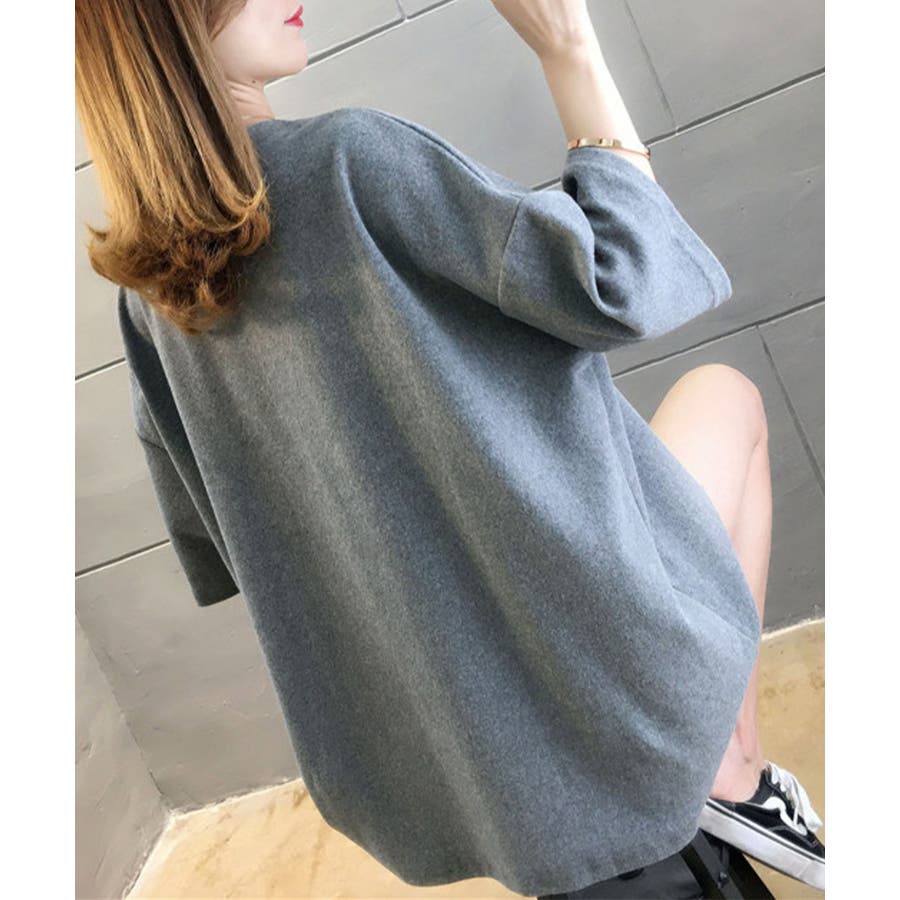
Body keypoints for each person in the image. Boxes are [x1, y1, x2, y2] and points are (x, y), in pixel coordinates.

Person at [74, 0, 824, 895]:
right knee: (725, 399)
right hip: (603, 678)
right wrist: (569, 47)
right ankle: (730, 770)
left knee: (723, 398)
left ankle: (734, 772)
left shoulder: (149, 300)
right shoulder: (353, 164)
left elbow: (224, 546)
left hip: (459, 759)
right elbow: (624, 276)